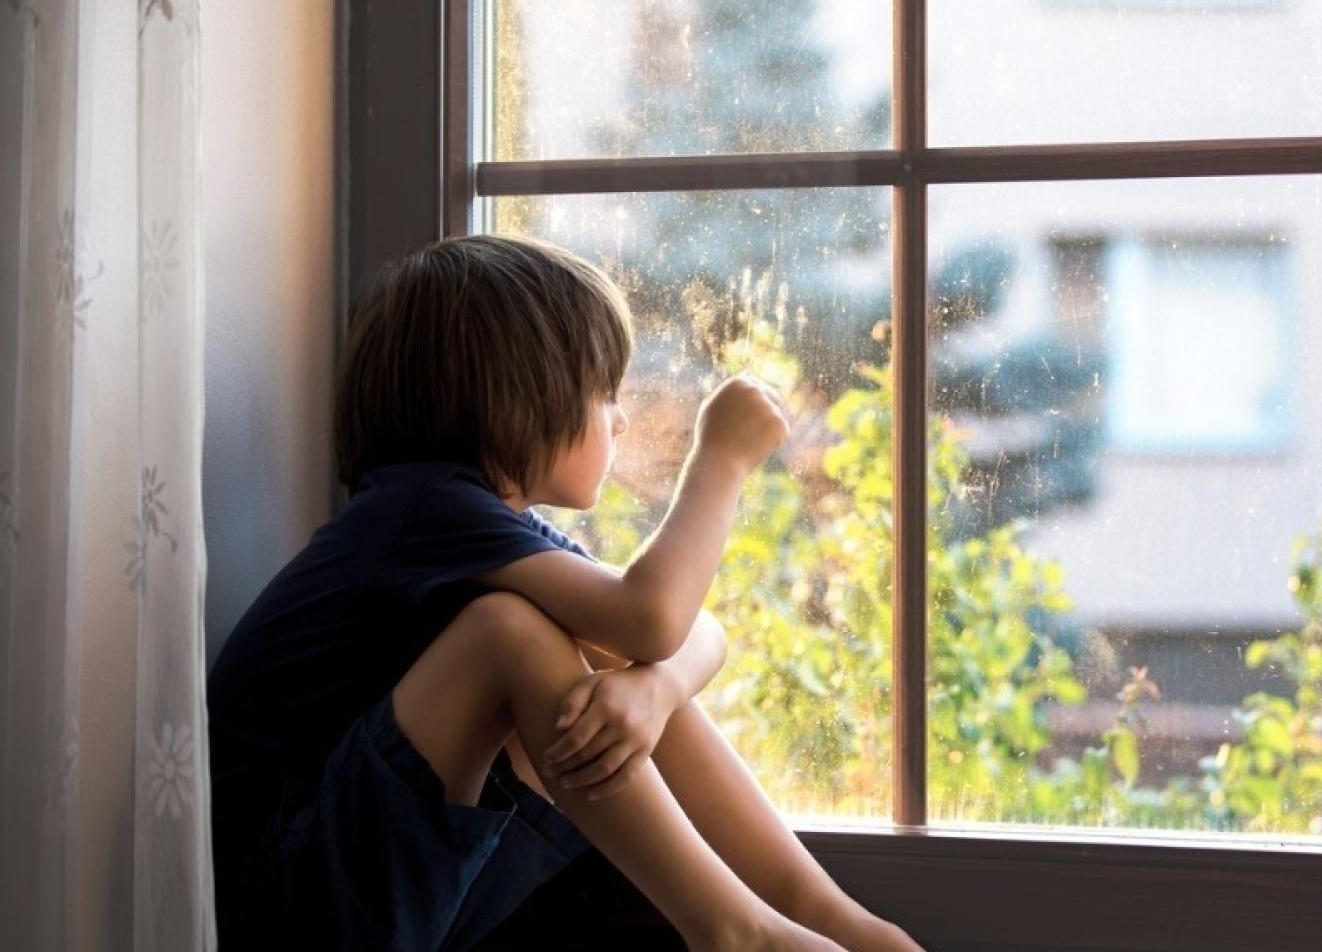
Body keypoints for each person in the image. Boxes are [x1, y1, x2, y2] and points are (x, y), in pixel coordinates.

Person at [207, 234, 924, 952]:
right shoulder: (421, 507)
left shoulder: (487, 525)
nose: (621, 418)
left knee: (596, 658)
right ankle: (733, 929)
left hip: (371, 887)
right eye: (604, 391)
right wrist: (721, 461)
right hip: (284, 902)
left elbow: (694, 633)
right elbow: (651, 617)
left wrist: (653, 692)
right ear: (520, 395)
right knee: (508, 634)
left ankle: (824, 913)